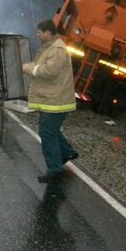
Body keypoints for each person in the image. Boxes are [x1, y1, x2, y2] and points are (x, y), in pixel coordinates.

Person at [22, 19, 78, 183]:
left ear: (48, 32)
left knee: (46, 132)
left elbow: (48, 71)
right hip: (53, 99)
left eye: (40, 32)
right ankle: (67, 152)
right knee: (50, 129)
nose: (37, 35)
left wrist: (28, 68)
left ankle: (54, 169)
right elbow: (41, 65)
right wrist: (28, 66)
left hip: (57, 100)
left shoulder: (58, 49)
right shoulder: (50, 48)